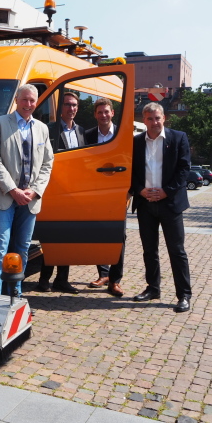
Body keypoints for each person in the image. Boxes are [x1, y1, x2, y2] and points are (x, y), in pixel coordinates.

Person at [0, 84, 54, 296]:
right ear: (17, 100)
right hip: (4, 196)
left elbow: (47, 163)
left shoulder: (42, 128)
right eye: (24, 99)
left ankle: (15, 293)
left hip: (30, 199)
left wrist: (35, 190)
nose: (28, 104)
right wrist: (13, 189)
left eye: (32, 100)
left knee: (22, 248)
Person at [131, 102, 192, 312]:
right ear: (144, 120)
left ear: (164, 118)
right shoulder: (136, 142)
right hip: (146, 204)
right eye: (149, 118)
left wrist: (167, 190)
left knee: (177, 251)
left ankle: (183, 295)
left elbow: (184, 169)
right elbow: (130, 172)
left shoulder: (178, 138)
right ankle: (153, 288)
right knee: (149, 251)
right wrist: (140, 190)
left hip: (170, 203)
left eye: (157, 118)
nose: (154, 122)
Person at [35, 92, 84, 294]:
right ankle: (44, 280)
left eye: (74, 105)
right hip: (55, 190)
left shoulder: (81, 131)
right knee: (51, 237)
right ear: (61, 107)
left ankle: (62, 280)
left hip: (74, 192)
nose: (71, 108)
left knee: (69, 237)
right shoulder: (50, 129)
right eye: (67, 105)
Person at [85, 98, 126, 297]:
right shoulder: (88, 135)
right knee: (96, 233)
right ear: (95, 114)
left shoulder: (123, 134)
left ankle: (115, 280)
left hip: (117, 191)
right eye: (99, 112)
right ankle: (104, 273)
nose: (103, 115)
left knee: (119, 236)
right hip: (94, 191)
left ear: (112, 113)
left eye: (106, 112)